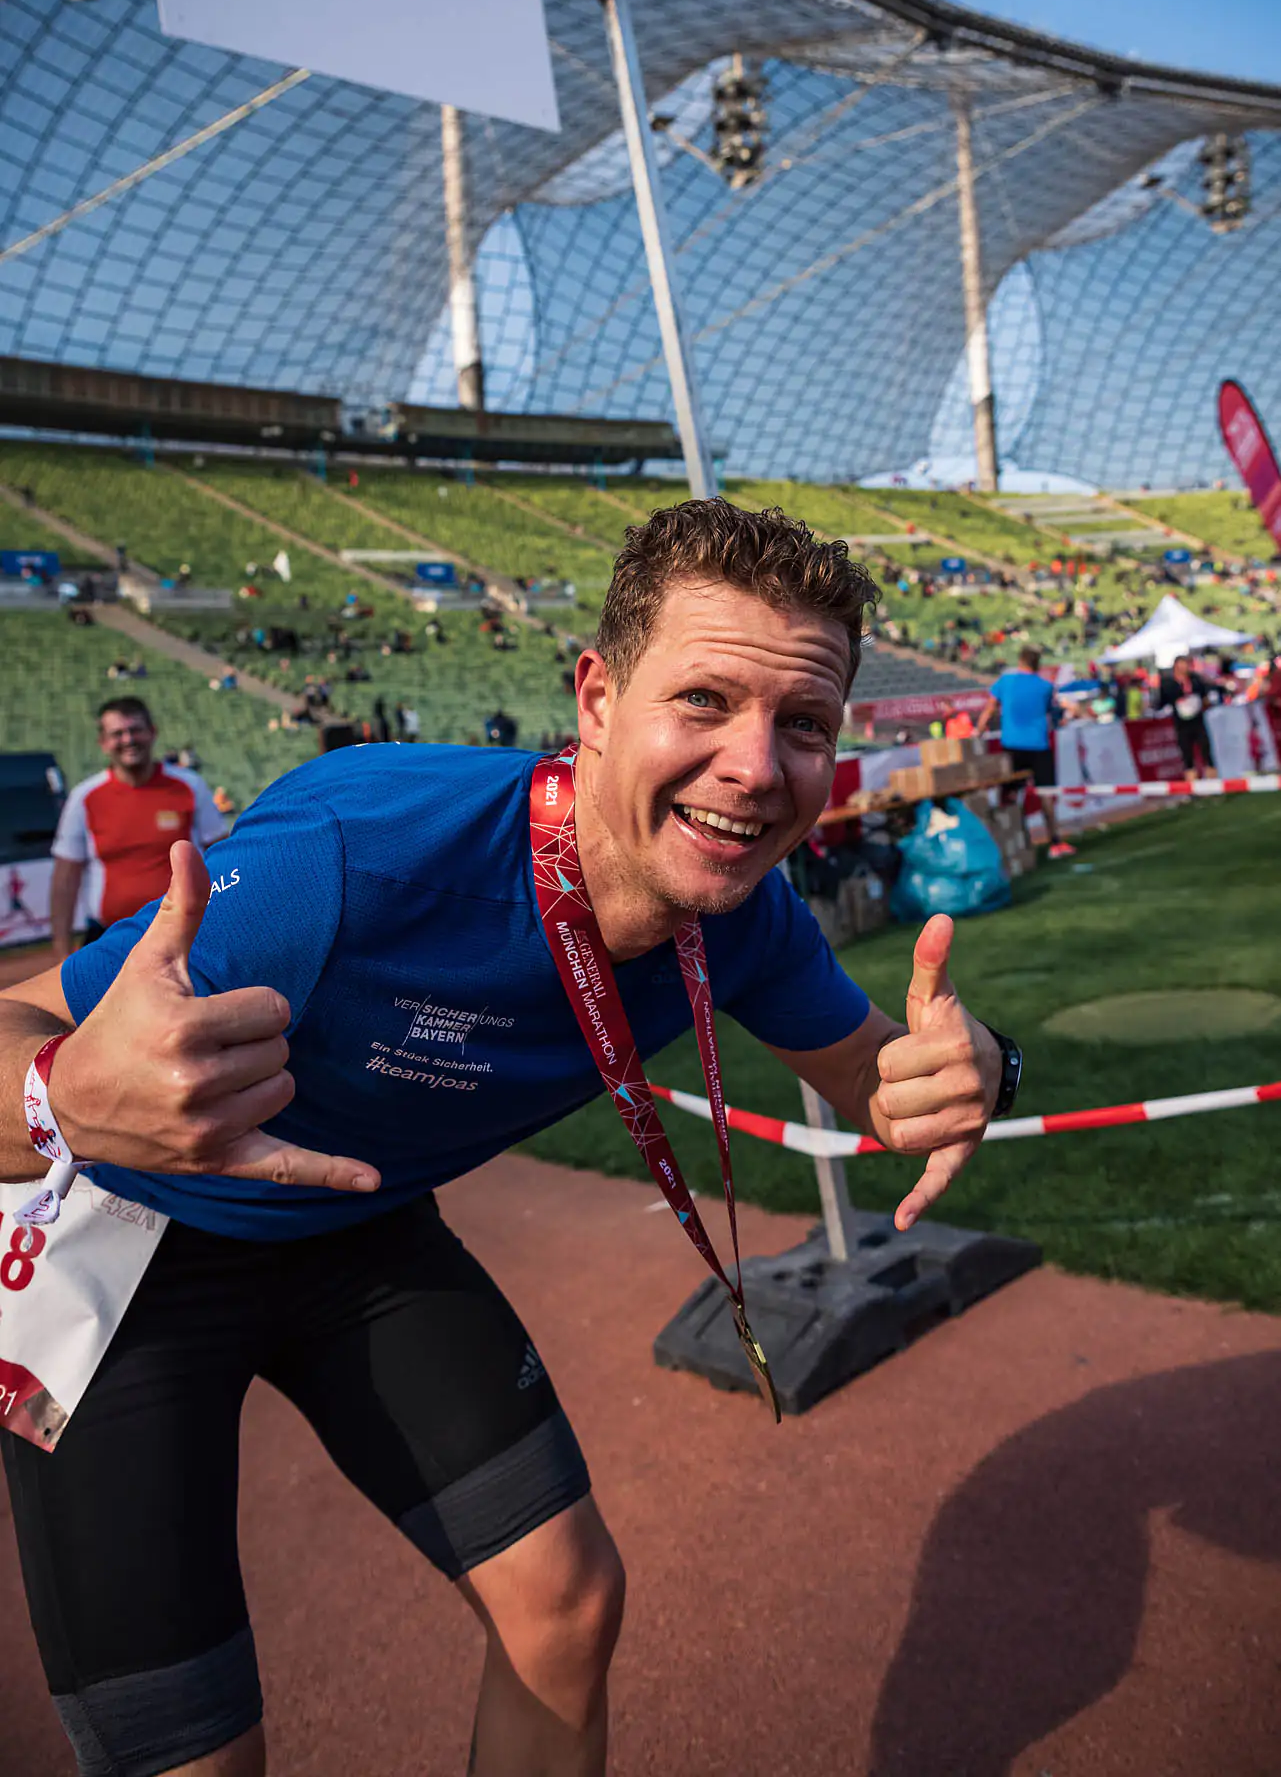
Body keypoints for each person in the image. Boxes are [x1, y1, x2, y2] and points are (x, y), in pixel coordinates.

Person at [0, 501, 1019, 1777]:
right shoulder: (354, 861)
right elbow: (26, 1024)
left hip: (355, 1227)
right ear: (596, 698)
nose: (757, 767)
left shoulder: (738, 907)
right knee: (196, 1761)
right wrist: (56, 1089)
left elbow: (879, 1075)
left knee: (569, 1605)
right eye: (702, 701)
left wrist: (975, 1066)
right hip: (118, 1248)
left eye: (802, 724)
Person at [48, 697, 227, 961]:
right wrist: (62, 952)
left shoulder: (189, 786)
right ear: (103, 742)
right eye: (117, 733)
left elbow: (221, 854)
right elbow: (65, 879)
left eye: (136, 730)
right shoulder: (84, 797)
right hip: (109, 938)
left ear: (152, 732)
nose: (128, 739)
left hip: (185, 931)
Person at [976, 645, 1074, 858]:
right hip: (1038, 746)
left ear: (1020, 661)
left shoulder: (1005, 681)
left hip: (1012, 747)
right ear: (1038, 664)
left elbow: (989, 709)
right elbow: (1051, 712)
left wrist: (978, 732)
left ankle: (1008, 841)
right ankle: (1055, 842)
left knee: (1009, 795)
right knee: (1046, 795)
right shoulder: (1046, 686)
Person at [1157, 653, 1216, 779]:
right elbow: (1162, 702)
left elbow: (1205, 695)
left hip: (1198, 720)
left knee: (1206, 749)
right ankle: (1192, 784)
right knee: (1187, 753)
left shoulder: (1195, 679)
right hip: (1181, 723)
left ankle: (1213, 781)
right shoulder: (1169, 683)